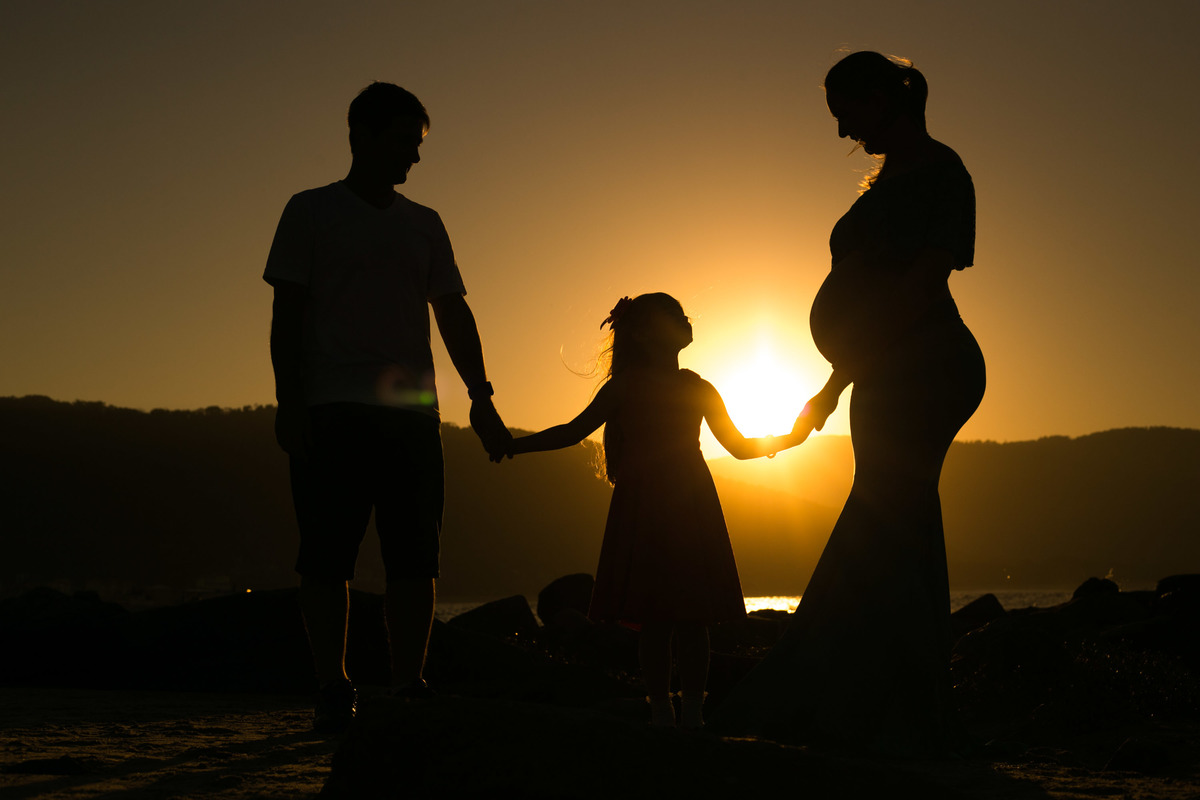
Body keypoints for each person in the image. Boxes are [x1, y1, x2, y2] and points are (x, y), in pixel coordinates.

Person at [713, 51, 986, 755]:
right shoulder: (888, 180)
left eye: (847, 112)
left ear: (881, 98)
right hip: (883, 370)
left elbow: (922, 286)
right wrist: (833, 387)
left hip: (927, 366)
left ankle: (862, 694)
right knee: (900, 519)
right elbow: (867, 304)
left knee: (886, 514)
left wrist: (853, 366)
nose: (841, 132)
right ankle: (903, 698)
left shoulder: (941, 173)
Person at [264, 82, 510, 733]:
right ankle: (330, 684)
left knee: (414, 557)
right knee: (325, 555)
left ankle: (408, 684)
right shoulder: (310, 211)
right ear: (361, 137)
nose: (413, 157)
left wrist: (481, 396)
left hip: (411, 417)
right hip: (331, 409)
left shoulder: (424, 223)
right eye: (403, 142)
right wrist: (290, 400)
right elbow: (286, 312)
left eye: (416, 145)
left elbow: (453, 311)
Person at [502, 293, 809, 729]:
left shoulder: (695, 386)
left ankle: (693, 711)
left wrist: (790, 437)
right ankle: (664, 709)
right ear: (645, 334)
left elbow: (739, 447)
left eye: (682, 314)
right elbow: (572, 432)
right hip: (656, 504)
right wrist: (515, 445)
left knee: (690, 616)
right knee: (658, 617)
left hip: (682, 503)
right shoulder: (629, 387)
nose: (684, 320)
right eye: (672, 314)